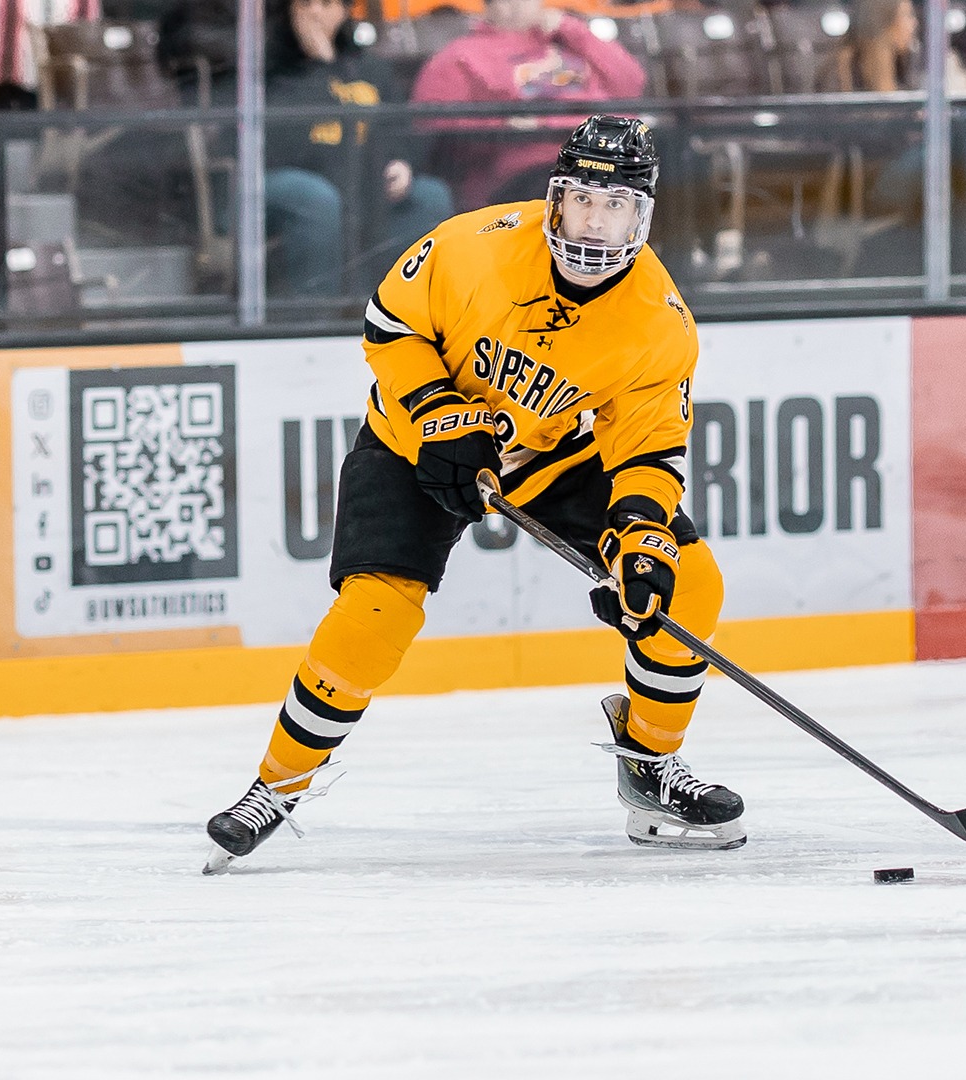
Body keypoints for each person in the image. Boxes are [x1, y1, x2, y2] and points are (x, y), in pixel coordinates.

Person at [202, 116, 742, 872]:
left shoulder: (659, 322)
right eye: (583, 199)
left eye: (615, 205)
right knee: (376, 610)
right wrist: (440, 415)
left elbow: (647, 447)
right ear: (556, 197)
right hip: (412, 443)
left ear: (643, 216)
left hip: (546, 453)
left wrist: (641, 537)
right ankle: (275, 786)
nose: (595, 219)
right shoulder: (472, 245)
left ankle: (650, 765)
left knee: (687, 583)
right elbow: (390, 326)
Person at [265, 0, 454, 295]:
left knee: (430, 197)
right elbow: (282, 141)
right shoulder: (270, 67)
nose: (315, 11)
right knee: (316, 198)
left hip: (363, 179)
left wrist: (400, 162)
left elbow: (399, 126)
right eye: (305, 4)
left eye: (326, 3)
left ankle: (404, 307)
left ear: (343, 11)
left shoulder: (370, 67)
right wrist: (320, 65)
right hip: (289, 176)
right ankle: (316, 313)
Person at [409, 0, 647, 210]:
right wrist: (505, 126)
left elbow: (632, 83)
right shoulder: (458, 57)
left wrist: (571, 29)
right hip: (524, 171)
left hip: (604, 156)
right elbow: (435, 127)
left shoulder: (571, 41)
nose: (519, 5)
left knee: (663, 167)